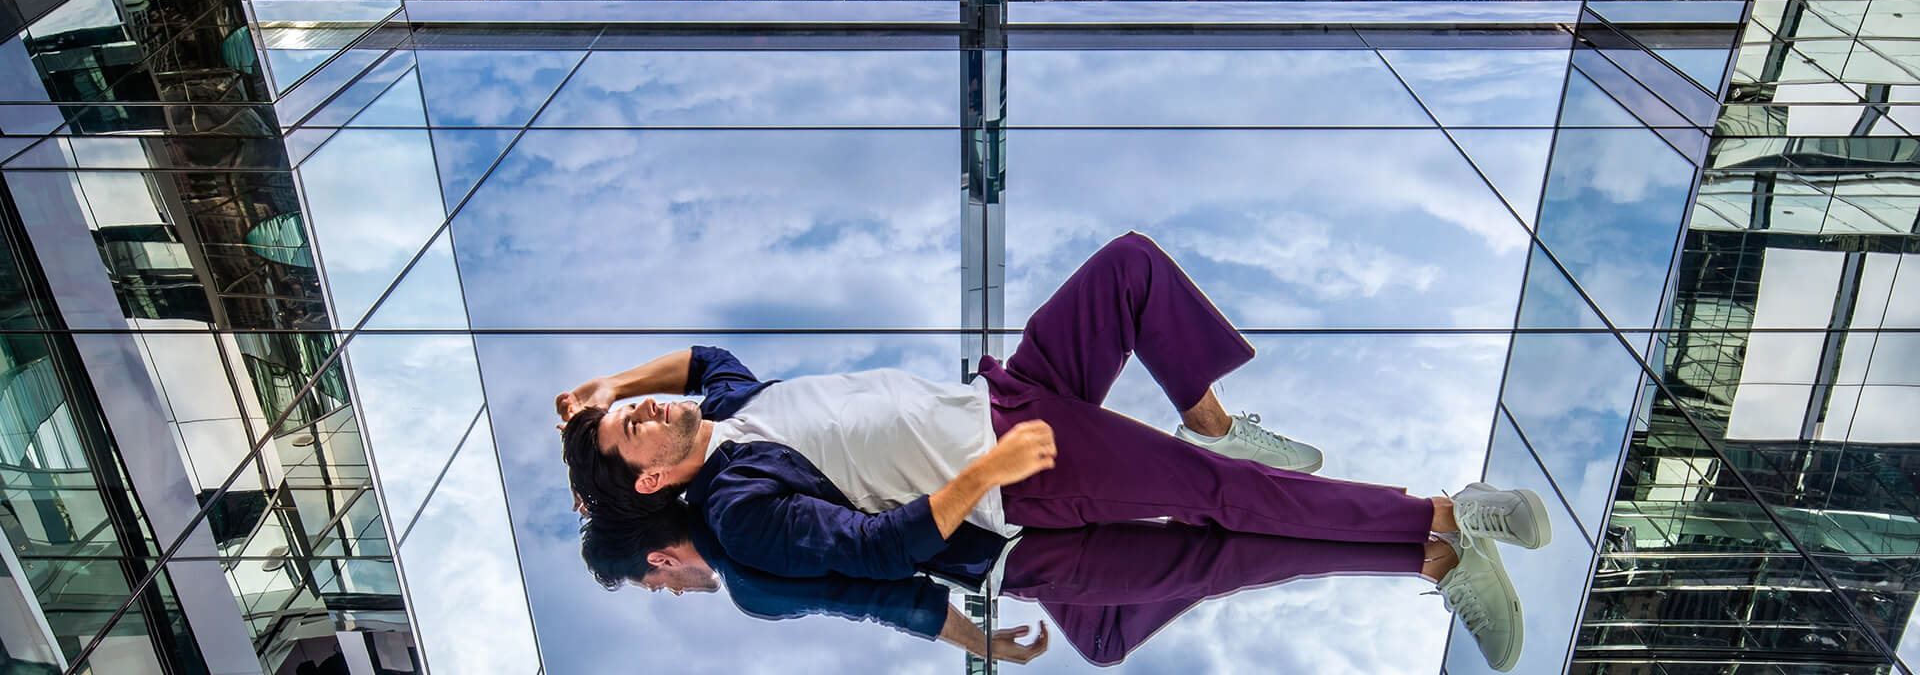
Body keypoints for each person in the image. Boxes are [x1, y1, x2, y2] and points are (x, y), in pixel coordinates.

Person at [559, 231, 1549, 670]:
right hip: (1015, 479)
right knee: (1224, 509)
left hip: (1006, 399)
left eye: (638, 408)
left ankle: (1224, 429)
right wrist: (985, 474)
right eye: (630, 433)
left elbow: (707, 354)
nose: (646, 412)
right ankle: (1445, 527)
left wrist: (609, 387)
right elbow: (872, 553)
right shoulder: (740, 510)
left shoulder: (734, 410)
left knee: (1128, 271)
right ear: (650, 480)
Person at [581, 503, 1478, 667]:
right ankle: (1418, 539)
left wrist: (982, 639)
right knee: (1106, 639)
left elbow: (880, 590)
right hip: (1015, 539)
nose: (671, 593)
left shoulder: (747, 576)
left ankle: (1425, 547)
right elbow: (717, 371)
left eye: (655, 586)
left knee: (1216, 553)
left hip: (1013, 551)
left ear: (661, 559)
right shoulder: (738, 463)